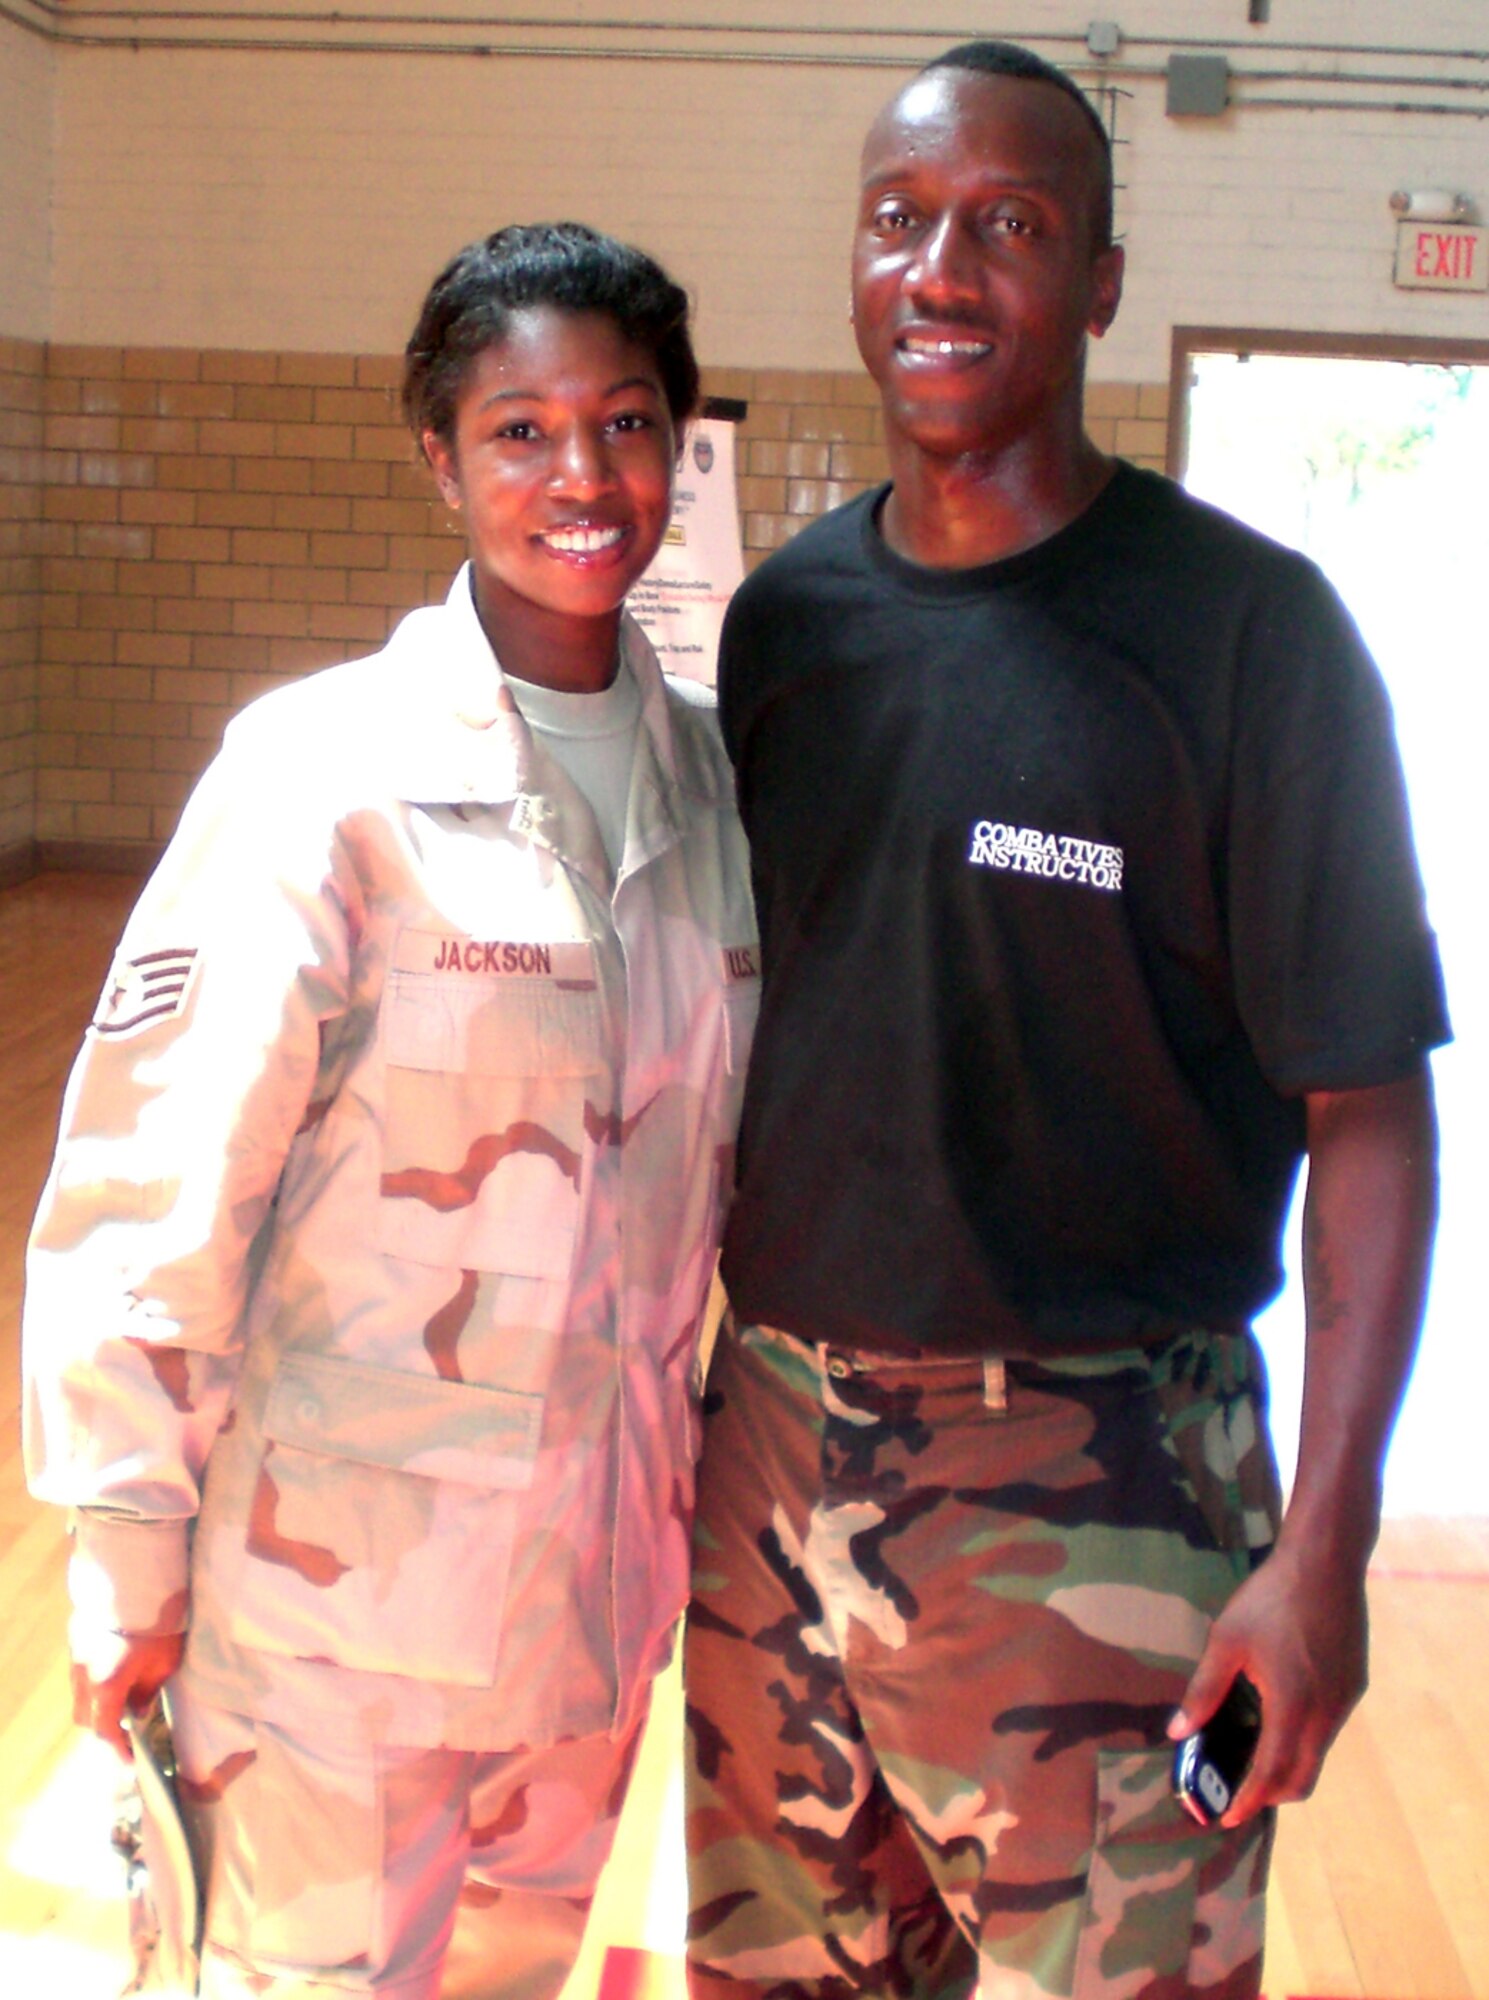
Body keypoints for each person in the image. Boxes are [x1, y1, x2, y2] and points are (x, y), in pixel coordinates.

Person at [683, 41, 1448, 2000]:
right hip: (766, 1469)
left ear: (1098, 280)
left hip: (1106, 1490)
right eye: (898, 221)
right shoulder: (787, 626)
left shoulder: (1247, 639)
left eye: (1007, 228)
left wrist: (1325, 1550)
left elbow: (1369, 1109)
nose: (939, 270)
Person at [24, 220, 759, 2000]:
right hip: (328, 1626)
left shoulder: (726, 785)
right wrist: (126, 1537)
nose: (581, 476)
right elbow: (156, 1176)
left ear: (680, 442)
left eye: (627, 422)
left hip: (586, 1612)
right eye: (519, 430)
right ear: (437, 456)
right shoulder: (321, 771)